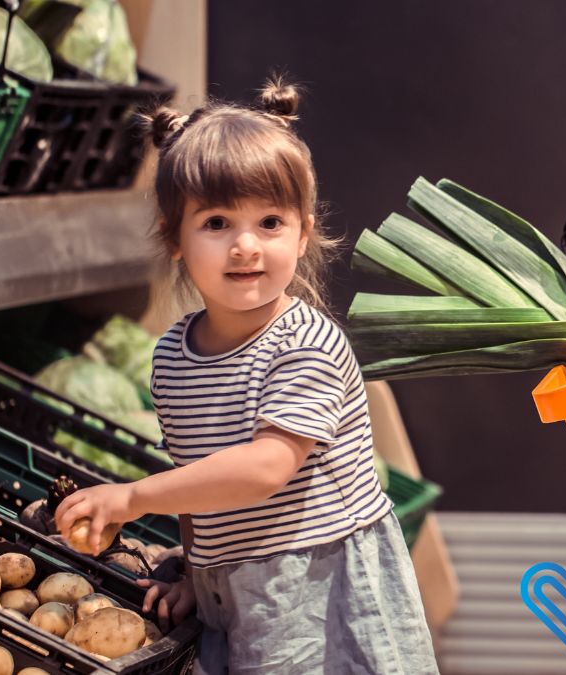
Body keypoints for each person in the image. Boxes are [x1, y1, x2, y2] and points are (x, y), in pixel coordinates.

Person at [53, 76, 439, 674]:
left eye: (269, 223)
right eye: (215, 224)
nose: (245, 247)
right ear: (174, 238)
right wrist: (192, 569)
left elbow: (265, 467)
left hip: (321, 590)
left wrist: (132, 496)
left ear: (304, 231)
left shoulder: (305, 342)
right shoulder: (173, 354)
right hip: (233, 588)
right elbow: (196, 475)